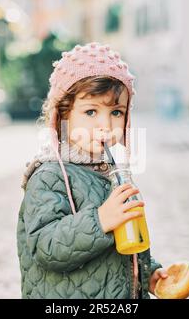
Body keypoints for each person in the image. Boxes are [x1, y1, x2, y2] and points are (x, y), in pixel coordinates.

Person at [17, 42, 167, 298]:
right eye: (90, 111)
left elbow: (122, 247)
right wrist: (100, 220)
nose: (106, 125)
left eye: (116, 112)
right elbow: (46, 246)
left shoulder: (111, 172)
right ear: (63, 115)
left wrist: (149, 274)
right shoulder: (49, 176)